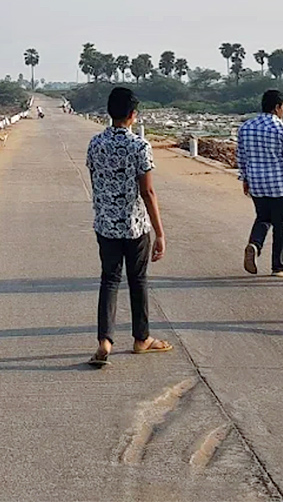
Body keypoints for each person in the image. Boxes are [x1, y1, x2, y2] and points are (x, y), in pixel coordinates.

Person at [85, 87, 172, 366]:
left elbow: (96, 180)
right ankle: (141, 338)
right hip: (134, 226)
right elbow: (147, 192)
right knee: (138, 281)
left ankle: (105, 341)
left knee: (109, 280)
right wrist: (160, 232)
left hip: (106, 225)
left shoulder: (95, 144)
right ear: (133, 115)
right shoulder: (140, 146)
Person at [237, 89, 283, 277]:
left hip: (257, 183)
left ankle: (255, 244)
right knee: (282, 224)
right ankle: (279, 265)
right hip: (280, 184)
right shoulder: (282, 129)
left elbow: (241, 156)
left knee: (263, 217)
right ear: (277, 107)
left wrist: (245, 178)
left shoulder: (246, 127)